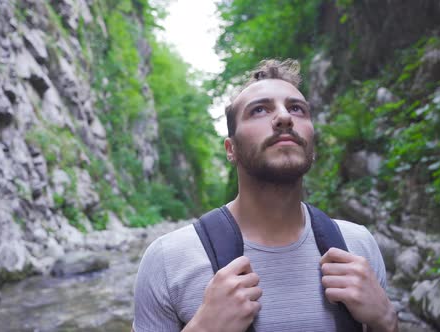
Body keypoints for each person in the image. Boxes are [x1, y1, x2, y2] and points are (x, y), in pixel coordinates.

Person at [132, 59, 397, 332]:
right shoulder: (167, 259)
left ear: (312, 144)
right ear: (230, 149)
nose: (284, 117)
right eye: (259, 110)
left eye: (297, 108)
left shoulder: (359, 245)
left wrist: (387, 322)